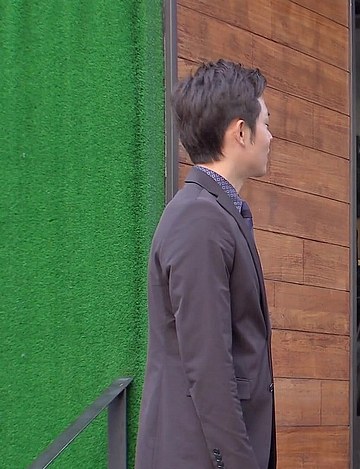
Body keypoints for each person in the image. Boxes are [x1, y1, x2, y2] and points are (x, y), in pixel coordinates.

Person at [136, 59, 276, 469]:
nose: (271, 137)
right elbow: (208, 365)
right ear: (240, 132)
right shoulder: (200, 218)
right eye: (266, 124)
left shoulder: (214, 213)